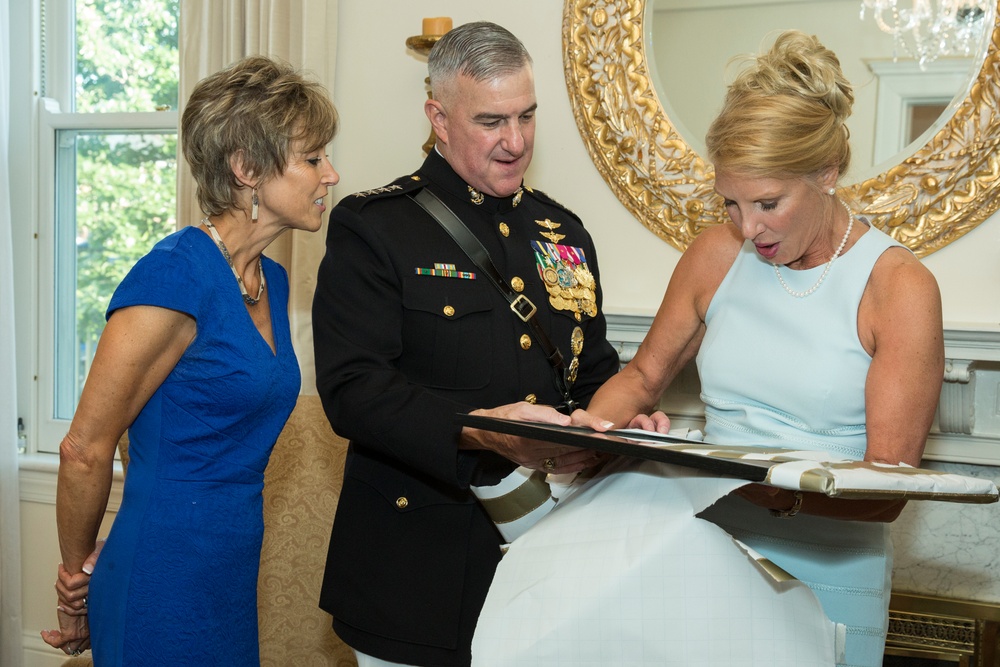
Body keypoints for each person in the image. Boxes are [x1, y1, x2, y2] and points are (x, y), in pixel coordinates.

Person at [568, 30, 944, 666]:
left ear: (826, 173)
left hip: (830, 577)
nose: (748, 228)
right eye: (731, 203)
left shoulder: (898, 287)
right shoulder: (716, 255)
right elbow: (641, 377)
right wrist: (591, 442)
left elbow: (887, 490)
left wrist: (761, 489)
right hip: (707, 553)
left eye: (768, 203)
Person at [311, 21, 620, 667]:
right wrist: (483, 431)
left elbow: (592, 371)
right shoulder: (377, 227)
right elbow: (353, 391)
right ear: (439, 117)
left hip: (547, 562)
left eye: (528, 117)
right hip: (417, 571)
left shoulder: (560, 231)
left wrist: (619, 422)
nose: (516, 142)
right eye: (491, 122)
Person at [40, 55, 340, 665]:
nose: (330, 175)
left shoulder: (273, 282)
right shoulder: (174, 274)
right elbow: (86, 447)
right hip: (161, 572)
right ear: (247, 168)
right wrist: (76, 583)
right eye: (312, 158)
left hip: (228, 574)